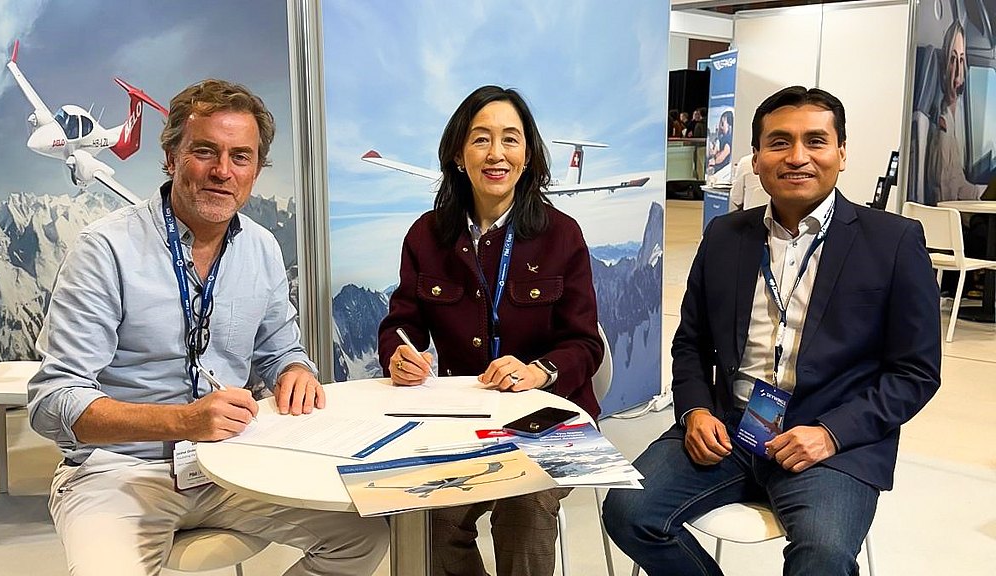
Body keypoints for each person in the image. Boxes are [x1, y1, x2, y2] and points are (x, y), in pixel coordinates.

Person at [28, 79, 388, 576]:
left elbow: (280, 349)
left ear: (256, 172)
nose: (223, 171)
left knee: (362, 536)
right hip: (118, 471)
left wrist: (295, 371)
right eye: (204, 151)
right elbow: (53, 403)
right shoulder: (104, 248)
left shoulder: (261, 248)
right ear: (172, 157)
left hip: (229, 464)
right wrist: (182, 422)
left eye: (241, 157)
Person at [603, 86, 941, 575]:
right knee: (629, 512)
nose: (797, 157)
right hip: (727, 428)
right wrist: (696, 408)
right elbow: (692, 342)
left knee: (822, 555)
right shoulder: (725, 236)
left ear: (841, 154)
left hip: (829, 442)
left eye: (816, 141)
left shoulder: (892, 241)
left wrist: (830, 433)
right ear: (756, 159)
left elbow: (915, 372)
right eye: (779, 142)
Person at [378, 85, 603, 576]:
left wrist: (540, 371)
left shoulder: (563, 235)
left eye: (511, 140)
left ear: (528, 156)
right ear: (459, 154)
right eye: (481, 139)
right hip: (460, 416)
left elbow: (585, 343)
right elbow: (401, 324)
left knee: (524, 507)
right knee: (428, 516)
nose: (496, 153)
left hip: (552, 413)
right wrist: (400, 355)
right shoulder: (425, 234)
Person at [926, 20, 985, 202]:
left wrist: (982, 192)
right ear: (944, 65)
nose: (959, 70)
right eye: (953, 60)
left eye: (961, 59)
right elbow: (945, 194)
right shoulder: (942, 124)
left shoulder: (956, 116)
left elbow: (958, 184)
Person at [706, 109, 733, 178]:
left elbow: (724, 154)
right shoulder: (722, 138)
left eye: (722, 124)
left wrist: (714, 161)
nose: (720, 126)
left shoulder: (728, 139)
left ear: (730, 126)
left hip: (722, 169)